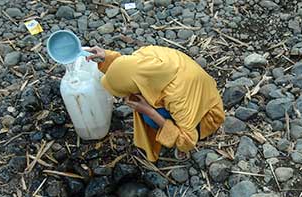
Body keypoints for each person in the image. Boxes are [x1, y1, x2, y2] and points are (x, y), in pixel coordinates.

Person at [85, 45, 225, 162]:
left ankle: (175, 139)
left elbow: (188, 140)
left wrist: (150, 112)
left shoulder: (177, 96)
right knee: (144, 104)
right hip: (196, 90)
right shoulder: (144, 54)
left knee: (148, 117)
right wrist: (106, 57)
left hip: (207, 115)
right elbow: (128, 66)